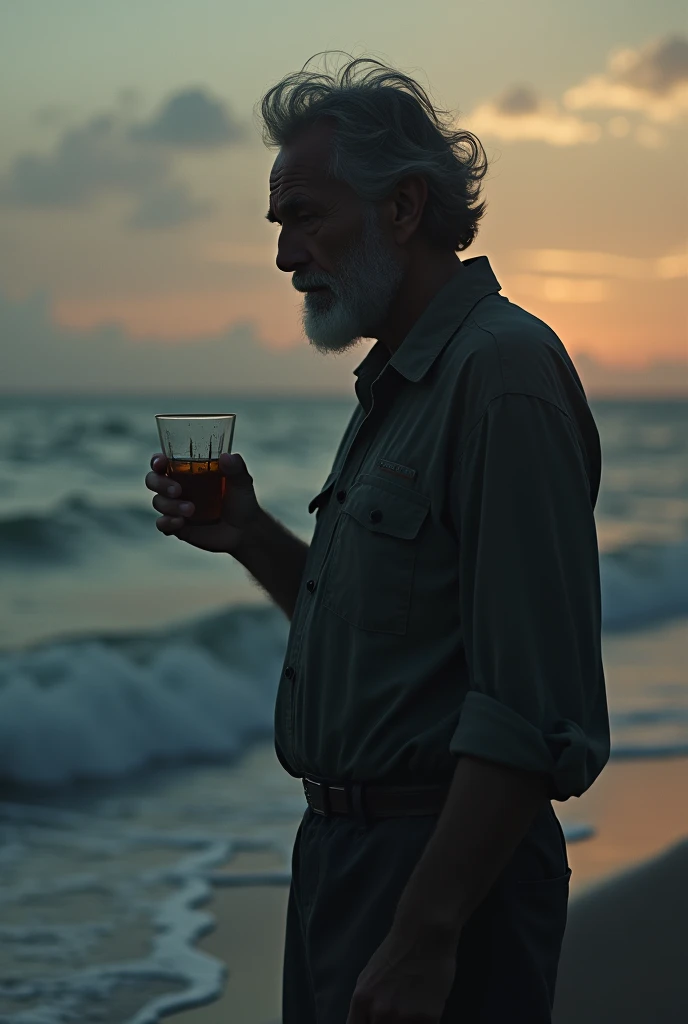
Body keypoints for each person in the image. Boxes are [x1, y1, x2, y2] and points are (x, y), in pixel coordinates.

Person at [145, 53, 610, 1024]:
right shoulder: (400, 384)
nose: (283, 255)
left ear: (402, 209)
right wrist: (251, 535)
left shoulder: (502, 375)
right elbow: (388, 637)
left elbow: (530, 705)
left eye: (305, 216)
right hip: (343, 865)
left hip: (438, 874)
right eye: (279, 225)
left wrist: (423, 932)